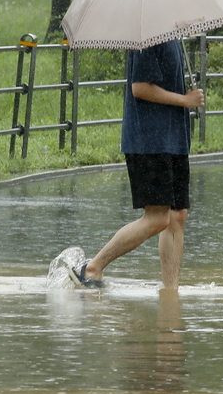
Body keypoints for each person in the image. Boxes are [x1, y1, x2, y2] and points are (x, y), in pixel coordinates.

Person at [70, 39, 203, 291]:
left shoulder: (172, 35)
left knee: (177, 217)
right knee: (157, 218)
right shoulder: (148, 37)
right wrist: (185, 101)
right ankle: (91, 268)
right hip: (149, 141)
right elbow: (140, 88)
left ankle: (170, 290)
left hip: (174, 139)